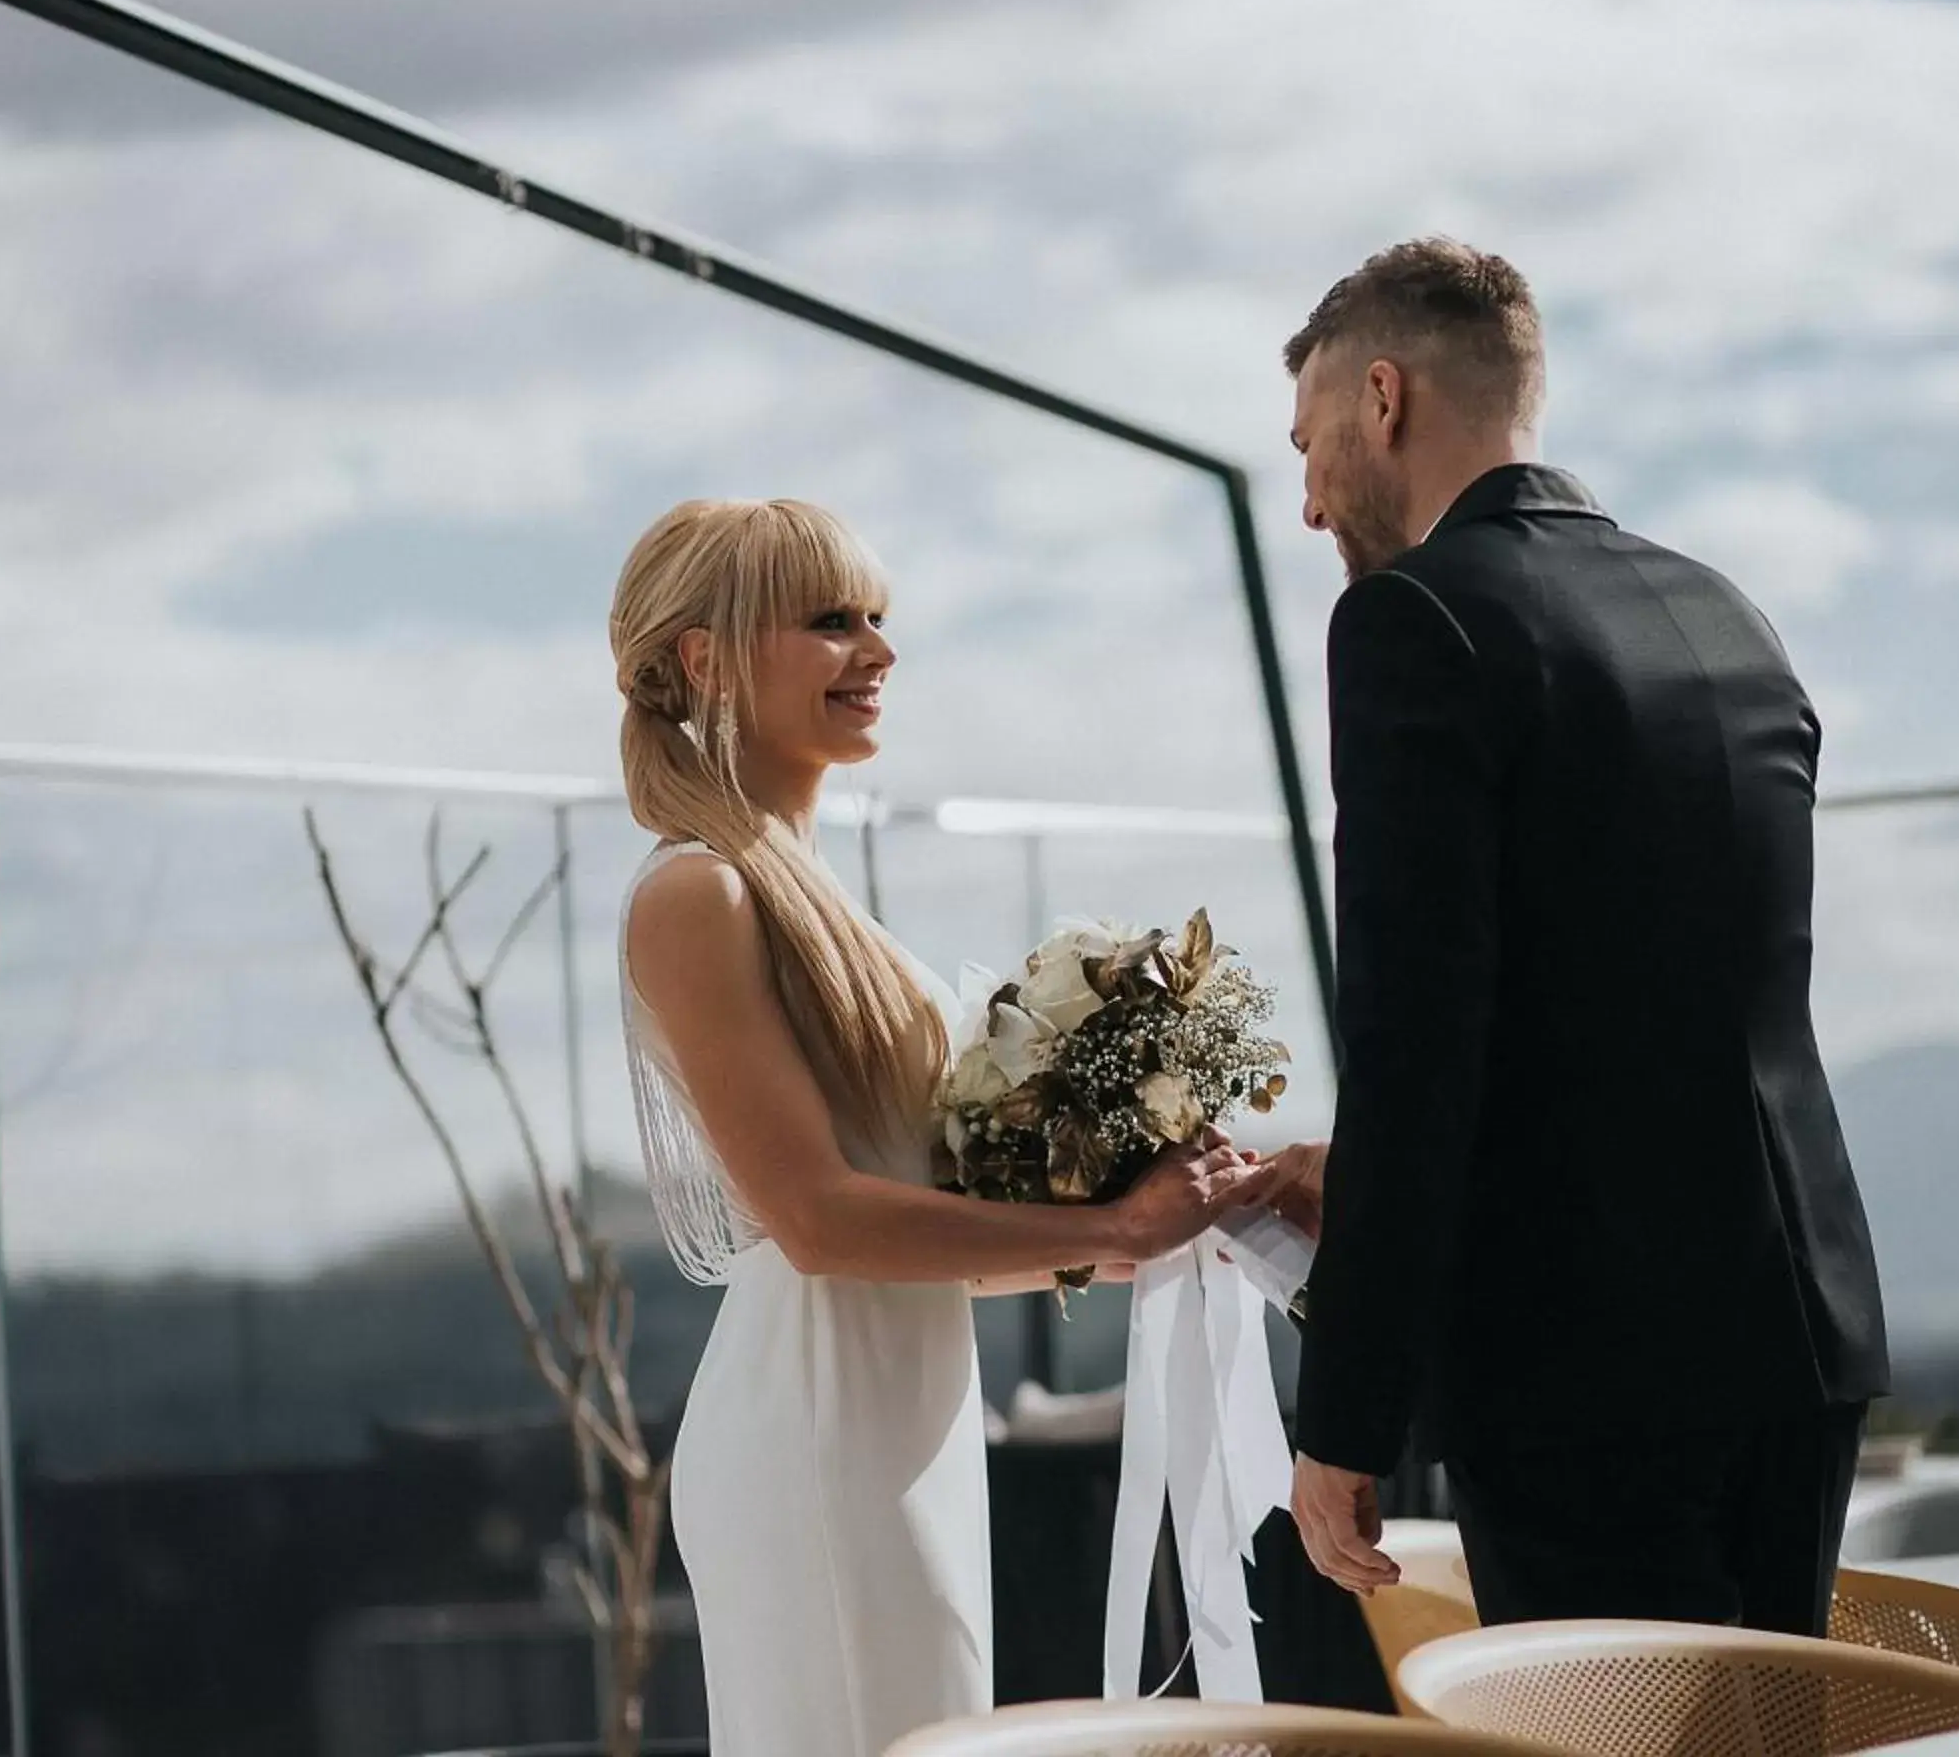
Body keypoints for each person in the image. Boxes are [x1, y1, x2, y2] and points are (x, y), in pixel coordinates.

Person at [1235, 239, 1889, 1636]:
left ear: (1385, 401)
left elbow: (1419, 1051)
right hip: (1801, 1340)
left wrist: (1345, 1418)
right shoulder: (1728, 616)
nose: (1304, 502)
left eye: (1307, 444)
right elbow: (1641, 1001)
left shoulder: (1412, 621)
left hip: (1586, 1377)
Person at [610, 497, 1250, 1757]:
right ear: (704, 659)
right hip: (820, 1419)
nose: (879, 650)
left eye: (880, 618)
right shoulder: (701, 892)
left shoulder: (802, 887)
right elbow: (818, 1218)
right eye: (831, 620)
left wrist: (1102, 1237)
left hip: (906, 1404)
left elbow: (906, 1200)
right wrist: (1111, 1217)